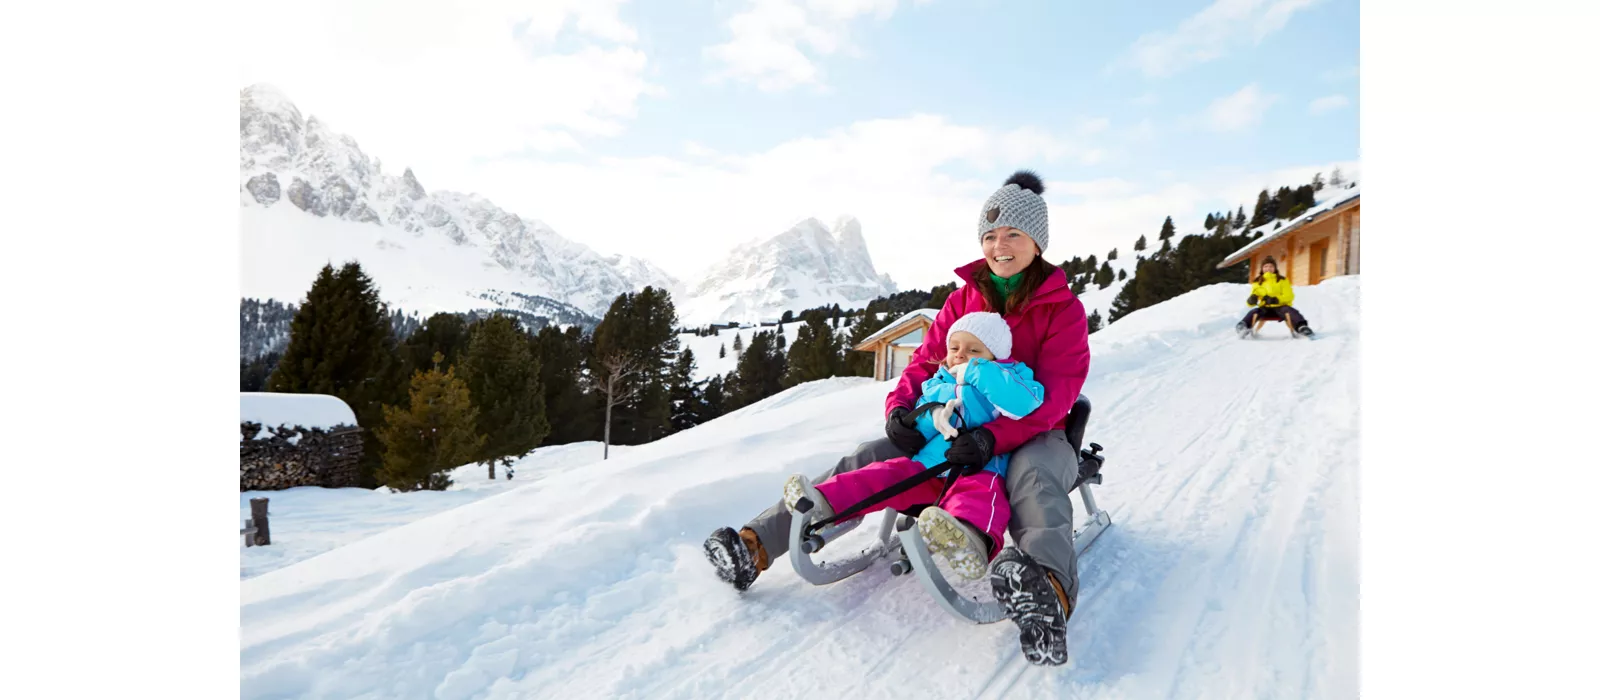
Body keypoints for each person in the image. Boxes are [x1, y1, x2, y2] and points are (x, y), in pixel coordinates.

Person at [702, 170, 1091, 666]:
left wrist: (995, 435)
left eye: (1013, 234)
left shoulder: (1062, 310)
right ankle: (756, 545)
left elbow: (1056, 397)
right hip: (950, 424)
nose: (1000, 246)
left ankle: (1047, 595)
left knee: (1032, 479)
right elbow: (924, 363)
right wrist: (901, 411)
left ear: (1037, 241)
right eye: (990, 236)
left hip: (1035, 429)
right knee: (869, 456)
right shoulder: (962, 301)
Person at [781, 311, 1046, 582]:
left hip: (981, 467)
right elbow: (920, 421)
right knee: (886, 474)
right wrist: (930, 418)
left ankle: (969, 543)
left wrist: (977, 370)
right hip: (929, 466)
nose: (960, 355)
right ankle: (824, 500)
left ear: (996, 355)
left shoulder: (1011, 375)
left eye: (974, 349)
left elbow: (1024, 404)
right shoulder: (940, 381)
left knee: (979, 498)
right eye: (954, 348)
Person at [1234, 256, 1315, 337]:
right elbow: (1252, 300)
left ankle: (1302, 327)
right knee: (1254, 311)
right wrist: (1251, 300)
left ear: (1275, 268)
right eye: (1265, 266)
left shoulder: (1282, 280)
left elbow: (1289, 296)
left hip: (1281, 307)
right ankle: (1243, 326)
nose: (1268, 268)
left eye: (1271, 266)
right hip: (1265, 308)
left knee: (1291, 311)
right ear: (1262, 268)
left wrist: (1276, 300)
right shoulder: (1257, 282)